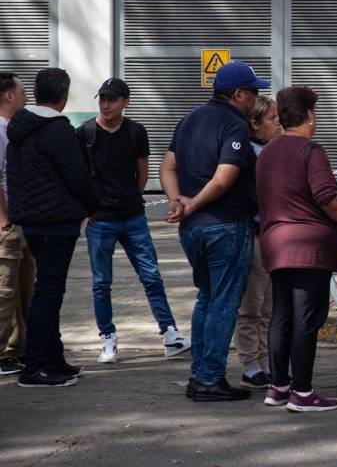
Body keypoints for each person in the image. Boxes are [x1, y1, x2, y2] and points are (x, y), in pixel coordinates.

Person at [161, 60, 268, 402]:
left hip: (193, 229)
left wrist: (177, 200)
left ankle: (200, 374)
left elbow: (167, 166)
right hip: (226, 224)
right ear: (238, 94)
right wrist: (191, 204)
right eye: (253, 92)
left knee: (207, 297)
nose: (256, 98)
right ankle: (209, 378)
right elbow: (224, 179)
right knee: (223, 301)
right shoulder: (234, 124)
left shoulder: (188, 120)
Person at [78, 78, 189, 364]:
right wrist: (89, 209)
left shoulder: (136, 132)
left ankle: (169, 333)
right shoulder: (85, 133)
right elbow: (79, 176)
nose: (106, 105)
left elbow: (142, 172)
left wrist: (131, 198)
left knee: (151, 276)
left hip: (132, 217)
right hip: (100, 220)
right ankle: (107, 338)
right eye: (102, 99)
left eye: (112, 99)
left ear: (125, 102)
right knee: (101, 283)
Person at [257, 86, 337, 412]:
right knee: (306, 320)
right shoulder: (311, 151)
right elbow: (327, 196)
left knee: (281, 315)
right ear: (310, 115)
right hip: (309, 247)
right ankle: (302, 392)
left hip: (275, 243)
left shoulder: (267, 152)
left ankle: (278, 386)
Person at [5, 68, 99, 387]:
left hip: (32, 221)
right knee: (48, 293)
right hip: (56, 222)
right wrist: (93, 207)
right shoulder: (58, 129)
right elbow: (77, 176)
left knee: (48, 291)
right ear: (65, 95)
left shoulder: (20, 128)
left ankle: (53, 358)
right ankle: (35, 367)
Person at [235, 95, 281, 389]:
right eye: (273, 119)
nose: (278, 124)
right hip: (254, 232)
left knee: (269, 304)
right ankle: (250, 364)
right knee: (251, 304)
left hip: (273, 234)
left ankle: (265, 360)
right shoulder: (247, 152)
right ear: (255, 123)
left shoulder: (275, 148)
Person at [0, 72, 35, 377]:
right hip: (8, 224)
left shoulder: (12, 129)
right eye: (22, 91)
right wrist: (5, 221)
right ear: (9, 95)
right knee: (5, 290)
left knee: (23, 287)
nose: (26, 97)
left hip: (20, 220)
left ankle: (17, 348)